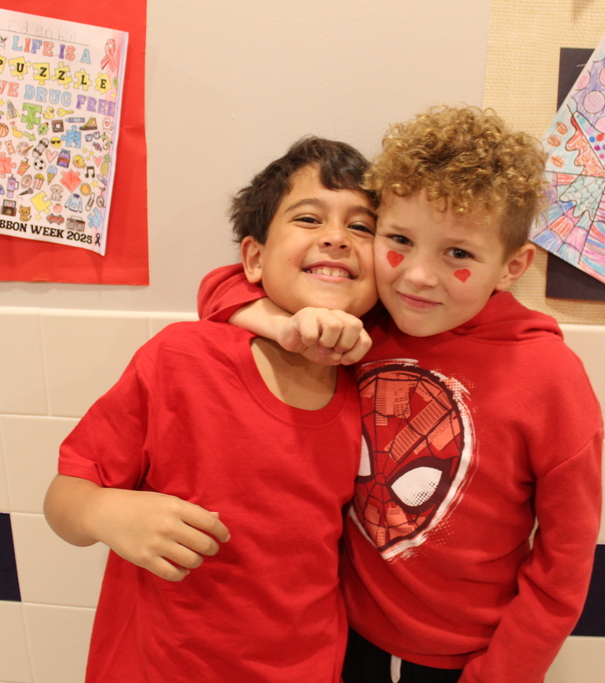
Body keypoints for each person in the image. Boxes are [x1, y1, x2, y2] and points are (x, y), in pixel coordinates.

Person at [198, 105, 604, 683]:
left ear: (513, 266)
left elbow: (565, 564)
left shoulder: (549, 378)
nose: (416, 275)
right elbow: (219, 288)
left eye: (458, 253)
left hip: (466, 660)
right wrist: (284, 327)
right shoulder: (366, 328)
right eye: (399, 240)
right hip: (345, 637)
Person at [43, 136, 381, 682]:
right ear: (253, 257)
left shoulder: (374, 385)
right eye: (309, 219)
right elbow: (63, 499)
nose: (337, 238)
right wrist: (107, 513)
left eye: (361, 227)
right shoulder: (181, 360)